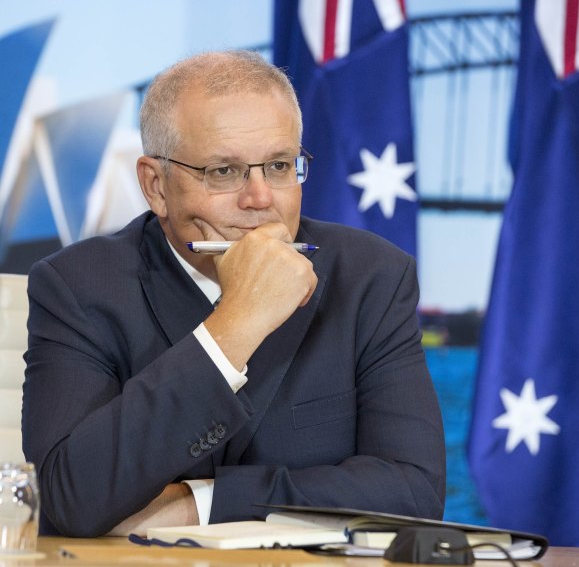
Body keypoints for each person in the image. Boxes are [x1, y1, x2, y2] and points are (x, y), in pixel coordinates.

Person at [22, 51, 445, 537]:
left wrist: (203, 502)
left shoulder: (372, 278)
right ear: (155, 186)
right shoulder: (77, 286)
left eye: (280, 166)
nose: (261, 199)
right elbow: (68, 497)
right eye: (224, 172)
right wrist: (235, 325)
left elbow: (414, 493)